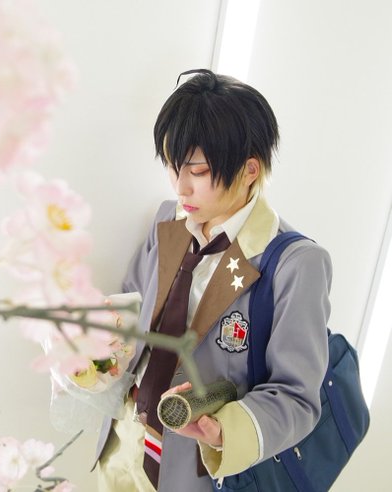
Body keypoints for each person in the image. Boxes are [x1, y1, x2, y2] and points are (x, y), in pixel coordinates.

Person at [94, 69, 332, 491]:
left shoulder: (295, 264)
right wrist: (91, 346)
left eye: (198, 171)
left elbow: (297, 397)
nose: (181, 187)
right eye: (172, 166)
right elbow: (130, 307)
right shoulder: (167, 220)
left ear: (250, 169)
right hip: (121, 445)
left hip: (195, 471)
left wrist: (223, 431)